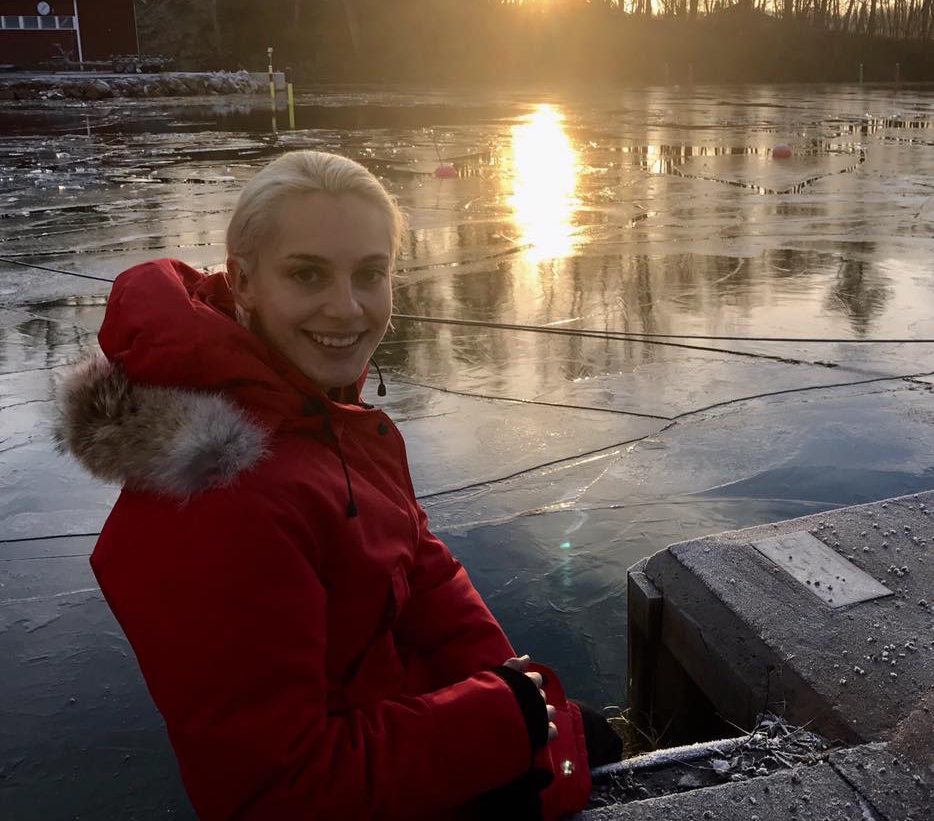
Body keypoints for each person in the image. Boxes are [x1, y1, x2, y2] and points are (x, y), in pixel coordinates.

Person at [57, 150, 621, 819]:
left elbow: (417, 567)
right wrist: (504, 718)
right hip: (356, 787)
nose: (347, 309)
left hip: (395, 727)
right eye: (307, 274)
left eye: (370, 274)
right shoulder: (225, 502)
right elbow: (278, 792)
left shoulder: (315, 410)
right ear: (242, 282)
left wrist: (510, 686)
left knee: (593, 739)